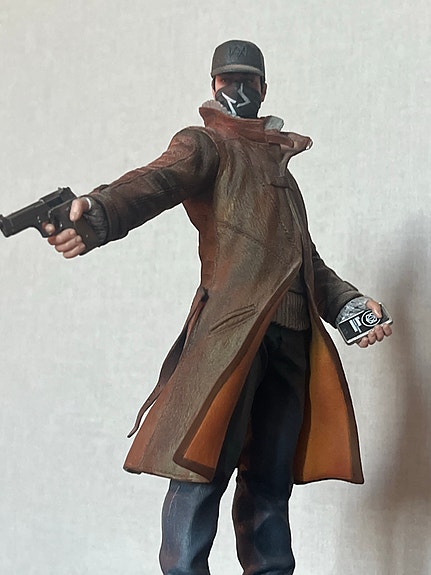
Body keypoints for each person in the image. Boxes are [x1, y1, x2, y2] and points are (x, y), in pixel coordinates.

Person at [46, 40, 392, 575]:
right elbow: (154, 182)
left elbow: (306, 261)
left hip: (292, 342)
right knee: (200, 470)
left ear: (264, 88)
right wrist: (98, 212)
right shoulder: (205, 145)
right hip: (232, 338)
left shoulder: (283, 173)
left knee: (271, 483)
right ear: (213, 85)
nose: (239, 89)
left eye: (249, 80)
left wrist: (349, 306)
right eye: (230, 80)